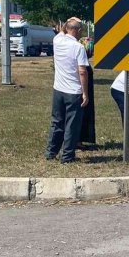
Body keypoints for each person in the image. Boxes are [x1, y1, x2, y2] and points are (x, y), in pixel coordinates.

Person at [45, 17, 89, 164]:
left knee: (56, 121)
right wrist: (85, 93)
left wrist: (69, 21)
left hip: (58, 89)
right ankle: (67, 155)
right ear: (78, 30)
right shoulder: (78, 47)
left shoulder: (57, 40)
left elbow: (62, 30)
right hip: (73, 91)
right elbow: (82, 71)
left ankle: (51, 152)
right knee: (72, 125)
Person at [78, 37, 96, 148]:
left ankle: (81, 139)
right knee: (81, 116)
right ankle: (77, 140)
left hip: (87, 91)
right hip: (82, 92)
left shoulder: (85, 62)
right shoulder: (82, 64)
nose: (92, 53)